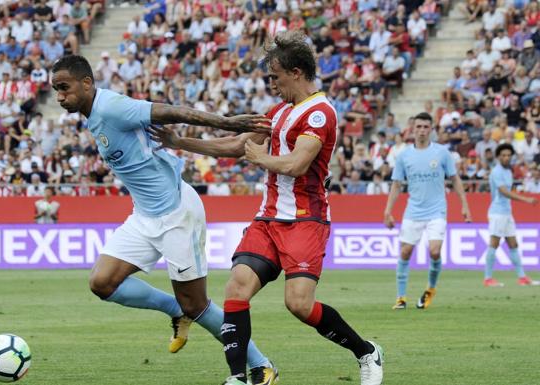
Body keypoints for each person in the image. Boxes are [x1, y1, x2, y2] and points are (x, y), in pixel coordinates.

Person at [150, 31, 383, 385]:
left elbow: (296, 165)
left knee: (299, 305)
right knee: (236, 288)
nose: (270, 83)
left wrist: (262, 157)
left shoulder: (320, 114)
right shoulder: (278, 112)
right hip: (268, 218)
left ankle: (366, 351)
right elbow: (236, 145)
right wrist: (181, 141)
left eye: (275, 76)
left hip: (306, 220)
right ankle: (238, 377)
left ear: (296, 72)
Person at [50, 55, 276, 384]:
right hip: (144, 216)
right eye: (56, 90)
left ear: (86, 83)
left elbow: (174, 111)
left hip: (176, 213)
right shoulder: (92, 116)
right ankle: (174, 309)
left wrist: (230, 122)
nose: (60, 97)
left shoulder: (112, 107)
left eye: (65, 88)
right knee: (102, 282)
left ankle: (261, 366)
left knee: (197, 303)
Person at [384, 112, 472, 310]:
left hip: (436, 210)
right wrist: (388, 211)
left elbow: (455, 179)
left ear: (431, 129)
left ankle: (430, 289)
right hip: (413, 211)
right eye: (419, 127)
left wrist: (465, 205)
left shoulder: (442, 153)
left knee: (434, 251)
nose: (422, 130)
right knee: (405, 252)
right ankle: (401, 298)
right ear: (412, 129)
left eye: (426, 127)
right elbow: (397, 185)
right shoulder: (404, 155)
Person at [483, 143, 539, 287]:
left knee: (513, 244)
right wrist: (525, 199)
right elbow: (504, 192)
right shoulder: (496, 172)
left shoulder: (508, 171)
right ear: (498, 157)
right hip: (497, 213)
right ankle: (488, 279)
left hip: (507, 213)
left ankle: (522, 277)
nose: (506, 158)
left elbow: (510, 190)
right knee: (494, 244)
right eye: (503, 155)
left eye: (509, 155)